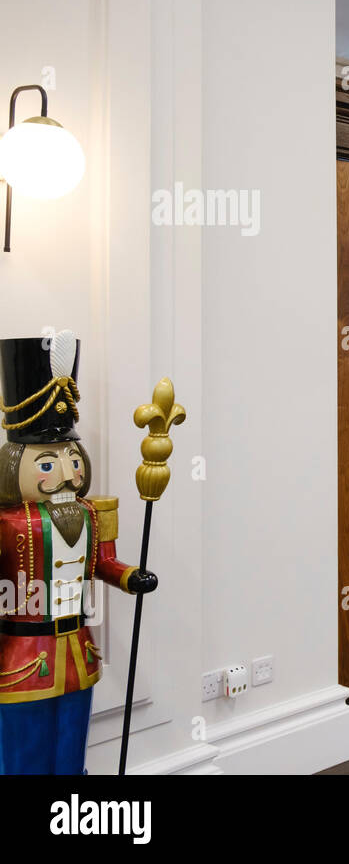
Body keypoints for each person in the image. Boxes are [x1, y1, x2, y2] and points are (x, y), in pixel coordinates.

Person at [0, 330, 157, 773]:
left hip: (78, 652)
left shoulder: (92, 512)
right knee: (24, 755)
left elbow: (103, 562)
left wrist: (131, 577)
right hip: (21, 659)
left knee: (71, 751)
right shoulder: (6, 522)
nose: (66, 472)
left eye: (71, 458)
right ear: (15, 466)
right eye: (47, 464)